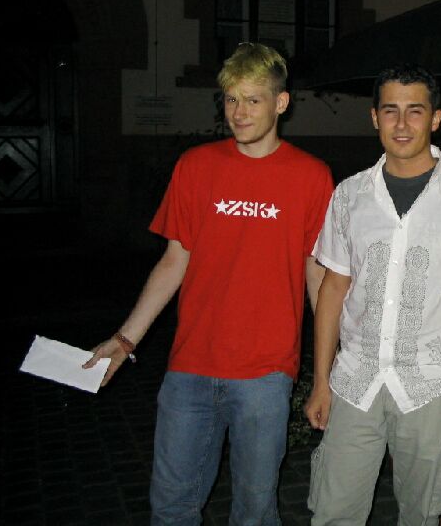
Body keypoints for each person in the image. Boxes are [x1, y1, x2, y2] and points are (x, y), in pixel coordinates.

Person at [83, 42, 334, 525]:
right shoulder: (196, 166)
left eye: (253, 100)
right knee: (171, 509)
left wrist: (325, 373)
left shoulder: (312, 177)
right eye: (231, 99)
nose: (239, 113)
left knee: (254, 512)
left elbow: (317, 276)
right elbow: (173, 262)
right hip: (190, 367)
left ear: (281, 103)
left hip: (265, 373)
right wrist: (125, 339)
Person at [304, 64, 441, 525]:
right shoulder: (350, 195)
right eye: (391, 111)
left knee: (421, 515)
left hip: (432, 383)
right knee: (332, 513)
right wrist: (321, 381)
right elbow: (334, 288)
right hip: (355, 380)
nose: (402, 124)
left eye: (415, 111)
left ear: (435, 119)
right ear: (374, 117)